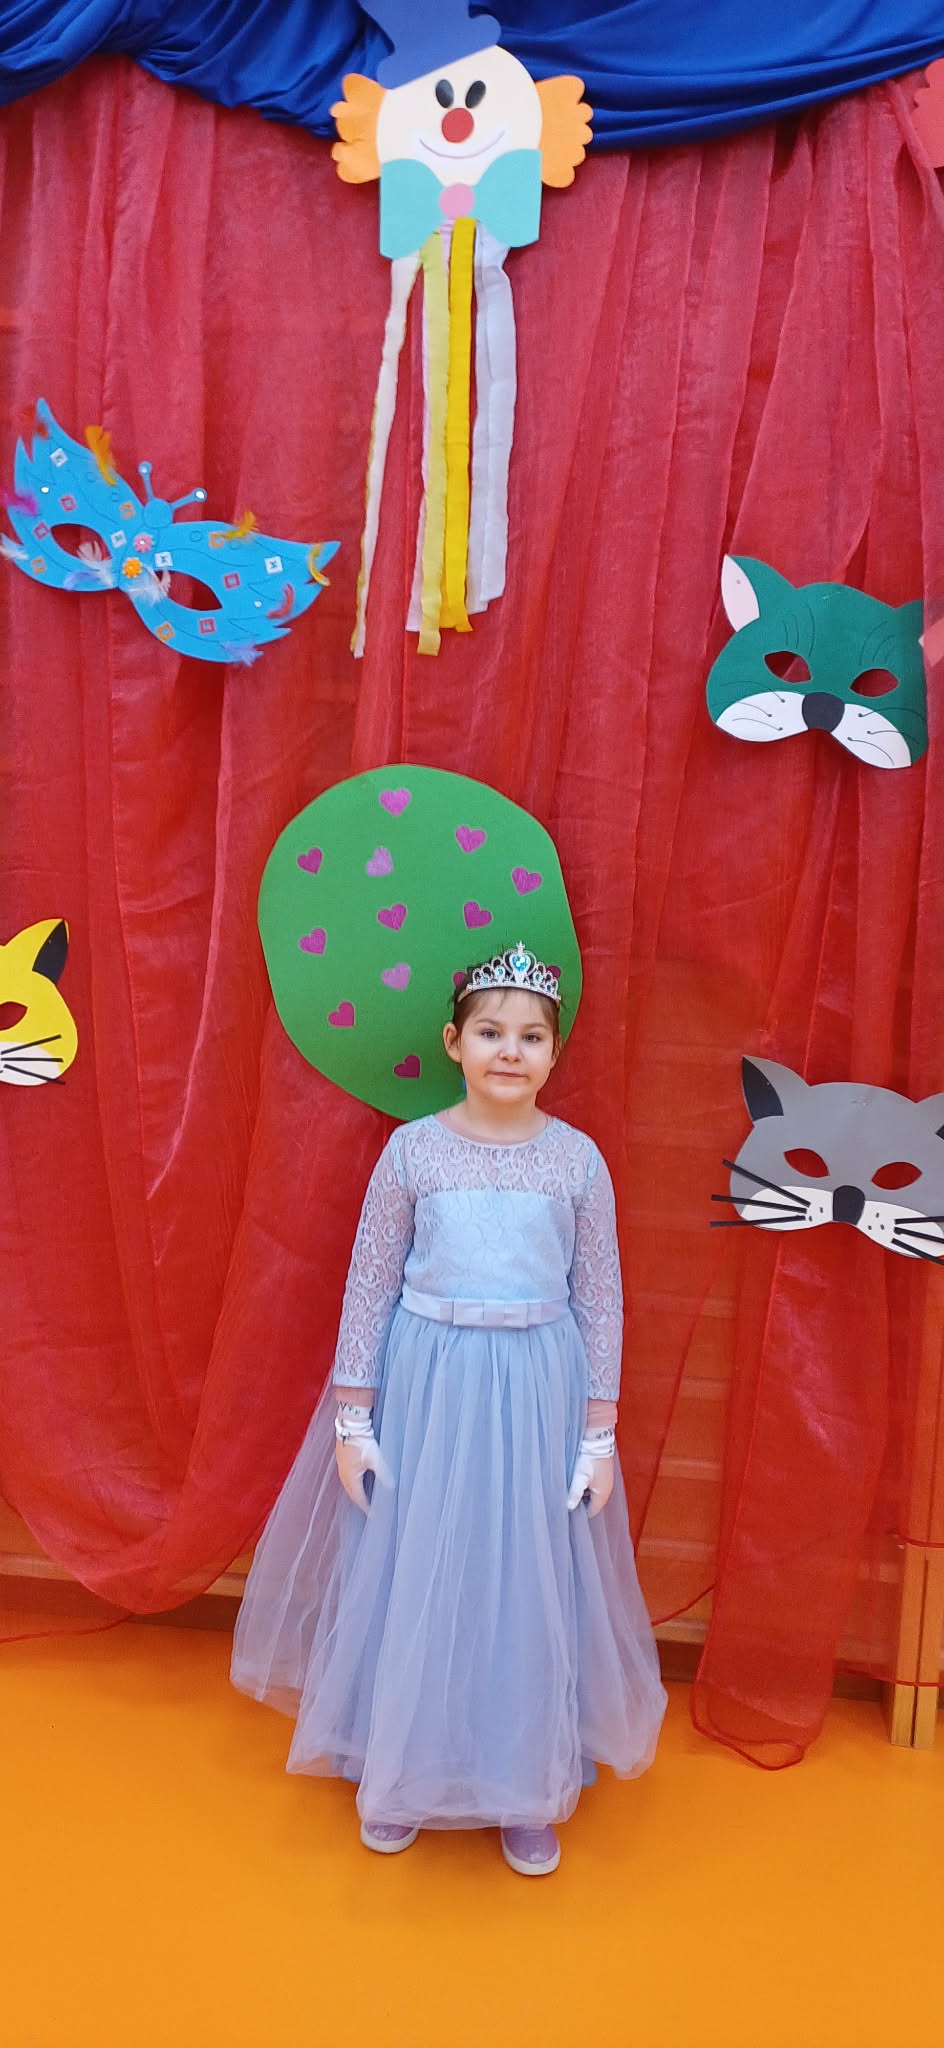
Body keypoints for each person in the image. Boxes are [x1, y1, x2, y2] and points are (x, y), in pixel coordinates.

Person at [232, 942, 666, 1876]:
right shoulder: (414, 1151)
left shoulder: (577, 1161)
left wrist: (597, 1434)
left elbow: (601, 1299)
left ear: (554, 1051)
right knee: (420, 1565)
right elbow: (370, 1283)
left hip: (536, 1392)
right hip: (430, 1385)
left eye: (531, 1036)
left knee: (525, 1577)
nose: (509, 1050)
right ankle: (400, 1769)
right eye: (490, 1032)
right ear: (453, 1042)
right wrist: (354, 1421)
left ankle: (524, 1780)